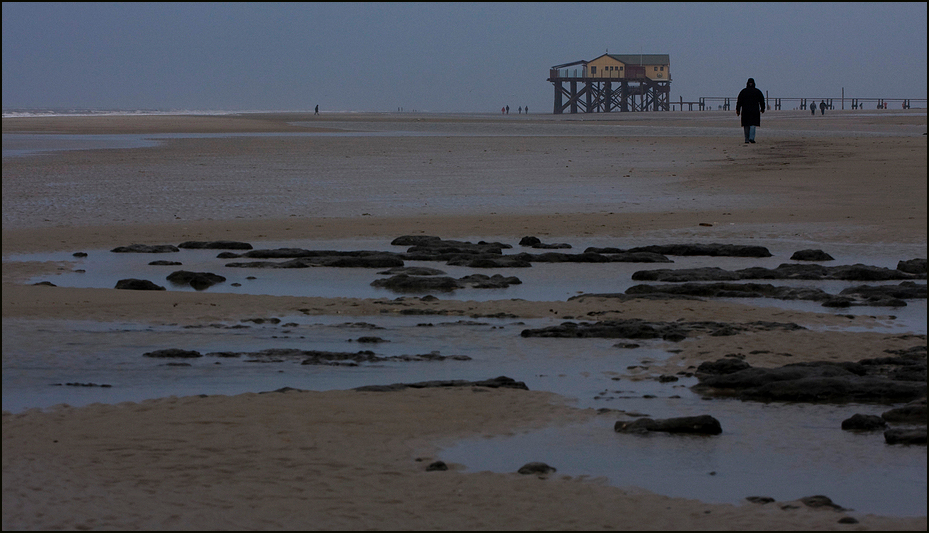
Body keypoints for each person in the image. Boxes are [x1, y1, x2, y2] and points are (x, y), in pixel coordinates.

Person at [735, 77, 765, 144]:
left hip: (745, 111)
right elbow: (762, 101)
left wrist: (738, 110)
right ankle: (751, 138)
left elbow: (739, 101)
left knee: (746, 125)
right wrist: (763, 108)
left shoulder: (743, 92)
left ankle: (746, 139)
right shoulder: (757, 91)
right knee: (753, 125)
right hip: (754, 110)